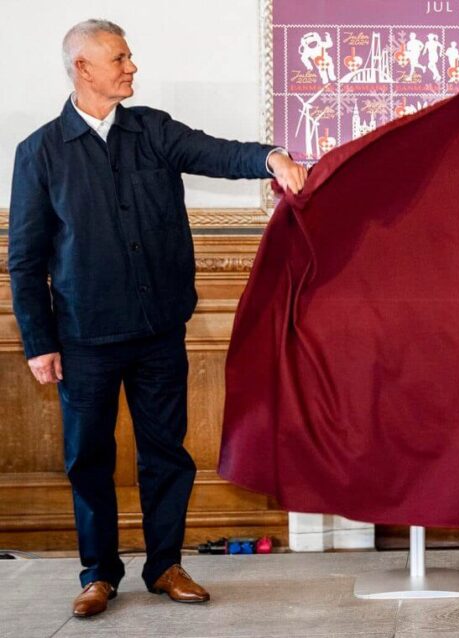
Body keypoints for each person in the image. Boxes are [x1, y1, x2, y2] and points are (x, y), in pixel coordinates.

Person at [7, 19, 307, 618]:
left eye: (129, 56)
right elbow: (25, 257)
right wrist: (40, 343)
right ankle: (98, 574)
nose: (131, 67)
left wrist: (270, 156)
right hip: (84, 338)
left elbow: (216, 152)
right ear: (83, 69)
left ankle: (165, 564)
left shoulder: (153, 131)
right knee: (87, 457)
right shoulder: (39, 151)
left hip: (158, 331)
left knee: (165, 453)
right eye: (119, 58)